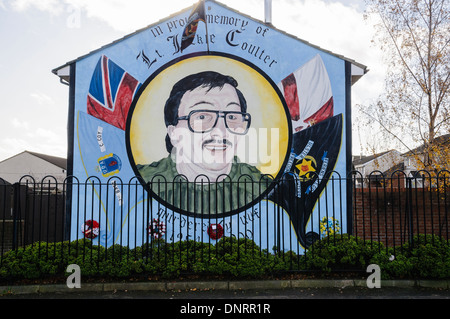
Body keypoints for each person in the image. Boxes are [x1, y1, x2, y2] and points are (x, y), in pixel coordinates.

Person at [137, 71, 272, 216]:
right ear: (174, 133)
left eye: (232, 116)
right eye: (202, 116)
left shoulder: (262, 187)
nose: (221, 131)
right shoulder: (141, 182)